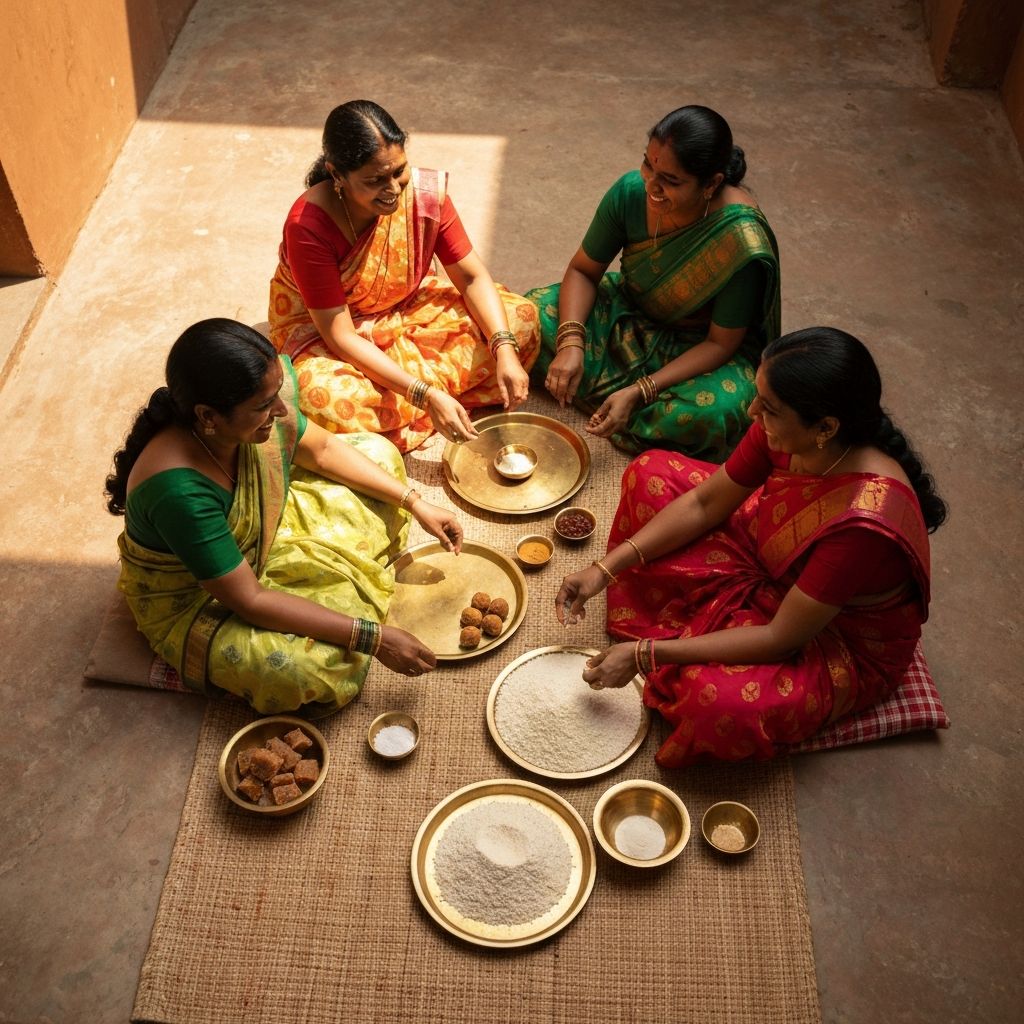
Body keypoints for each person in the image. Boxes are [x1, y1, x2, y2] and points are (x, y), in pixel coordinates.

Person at [555, 327, 947, 765]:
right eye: (758, 395)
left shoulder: (861, 523)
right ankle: (690, 624)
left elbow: (782, 637)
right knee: (652, 474)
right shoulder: (783, 431)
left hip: (831, 635)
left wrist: (647, 654)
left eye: (769, 408)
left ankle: (672, 637)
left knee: (715, 703)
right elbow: (706, 502)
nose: (751, 409)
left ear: (825, 428)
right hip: (768, 551)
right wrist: (603, 569)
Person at [105, 318, 465, 717]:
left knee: (378, 454)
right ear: (208, 416)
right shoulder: (179, 493)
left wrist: (415, 502)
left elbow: (324, 449)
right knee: (309, 670)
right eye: (263, 406)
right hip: (206, 600)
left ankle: (344, 585)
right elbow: (251, 600)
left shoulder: (247, 415)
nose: (280, 410)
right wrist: (374, 639)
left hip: (265, 536)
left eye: (277, 394)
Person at [268, 99, 540, 453]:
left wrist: (503, 349)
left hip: (411, 307)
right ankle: (437, 404)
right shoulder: (308, 226)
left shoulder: (425, 196)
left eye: (399, 171)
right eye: (375, 180)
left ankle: (420, 409)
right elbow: (340, 335)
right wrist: (424, 394)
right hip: (333, 335)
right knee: (321, 397)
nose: (394, 189)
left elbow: (472, 278)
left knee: (522, 320)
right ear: (337, 175)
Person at [528, 104, 781, 460]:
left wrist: (641, 390)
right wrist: (572, 343)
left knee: (716, 412)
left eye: (672, 181)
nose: (652, 186)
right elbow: (584, 270)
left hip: (695, 349)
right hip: (627, 313)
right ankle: (623, 407)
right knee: (527, 316)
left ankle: (620, 401)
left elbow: (720, 344)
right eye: (648, 164)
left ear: (712, 184)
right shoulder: (631, 191)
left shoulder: (738, 239)